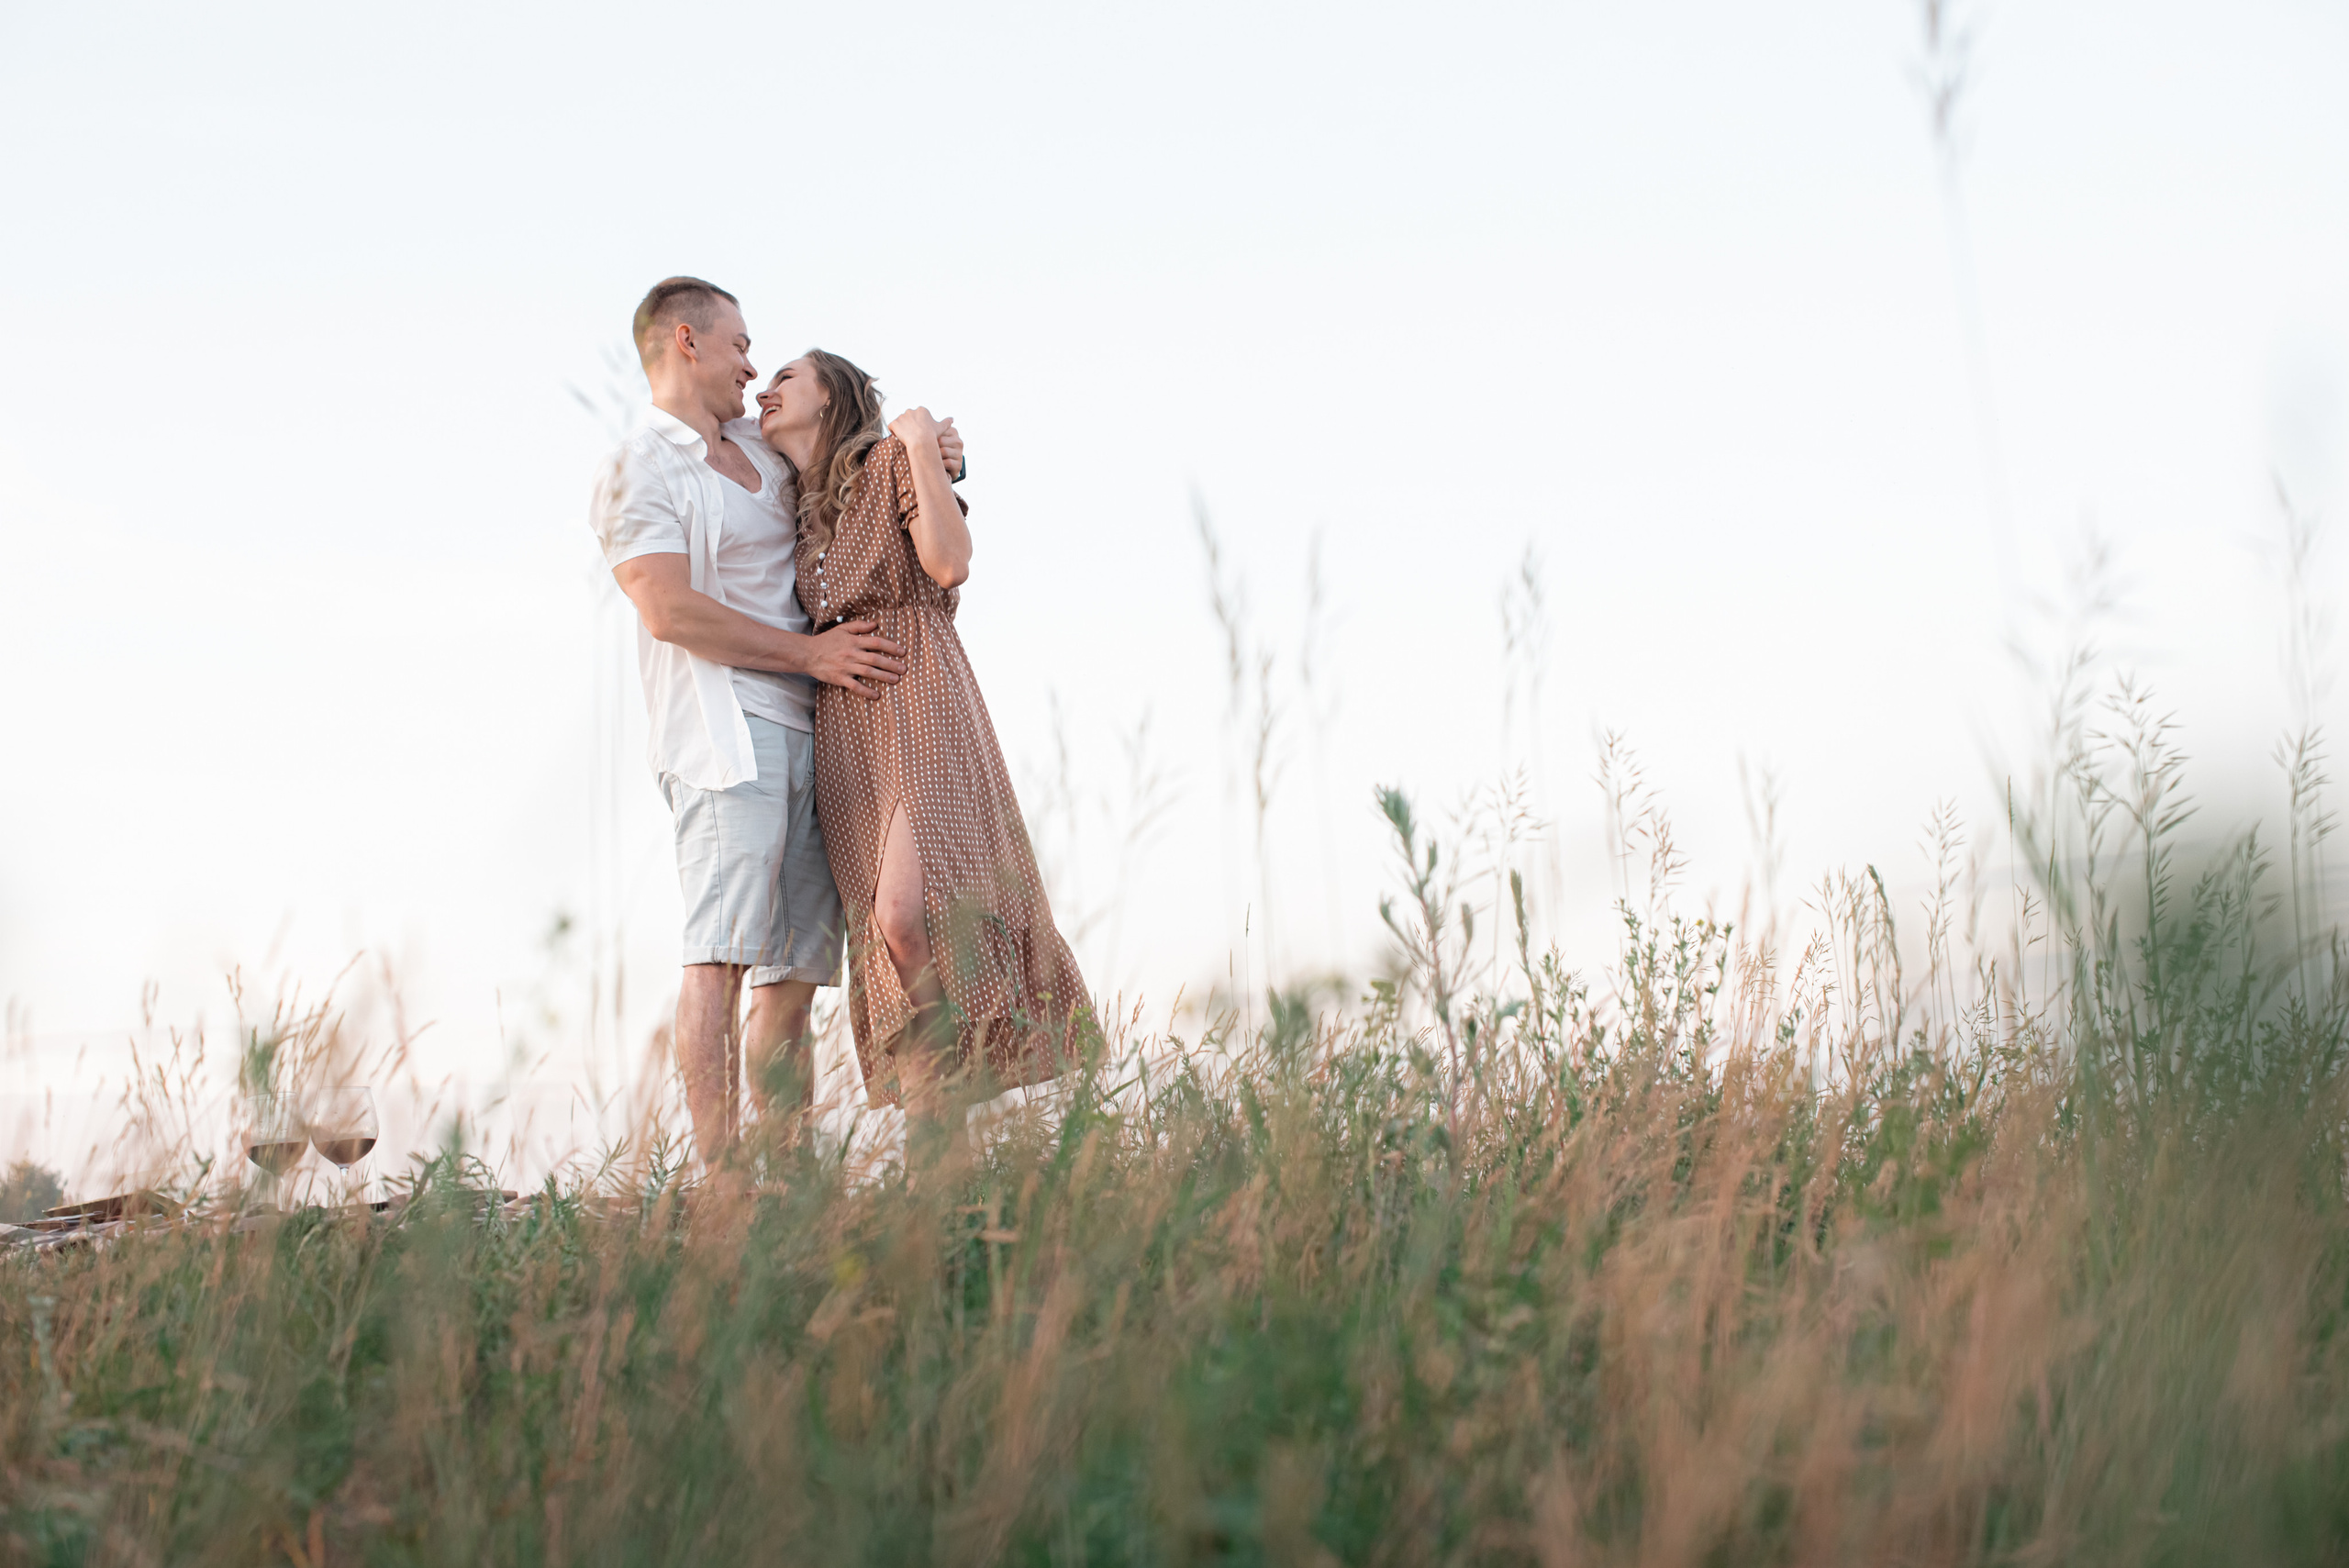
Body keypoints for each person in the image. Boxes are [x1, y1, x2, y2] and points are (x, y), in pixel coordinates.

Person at [590, 279, 964, 1168]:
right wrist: (809, 655)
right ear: (688, 341)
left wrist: (937, 448)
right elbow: (667, 609)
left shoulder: (765, 449)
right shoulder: (640, 467)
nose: (753, 369)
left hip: (826, 734)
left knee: (793, 980)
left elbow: (855, 445)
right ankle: (726, 1181)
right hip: (728, 738)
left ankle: (789, 1173)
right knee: (719, 958)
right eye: (740, 346)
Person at [757, 350, 1092, 1129]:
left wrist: (917, 443)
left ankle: (952, 1099)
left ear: (832, 395)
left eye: (785, 378)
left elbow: (951, 561)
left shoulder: (889, 462)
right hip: (845, 725)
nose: (765, 390)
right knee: (887, 932)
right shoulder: (797, 509)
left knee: (908, 913)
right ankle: (939, 1132)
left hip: (917, 689)